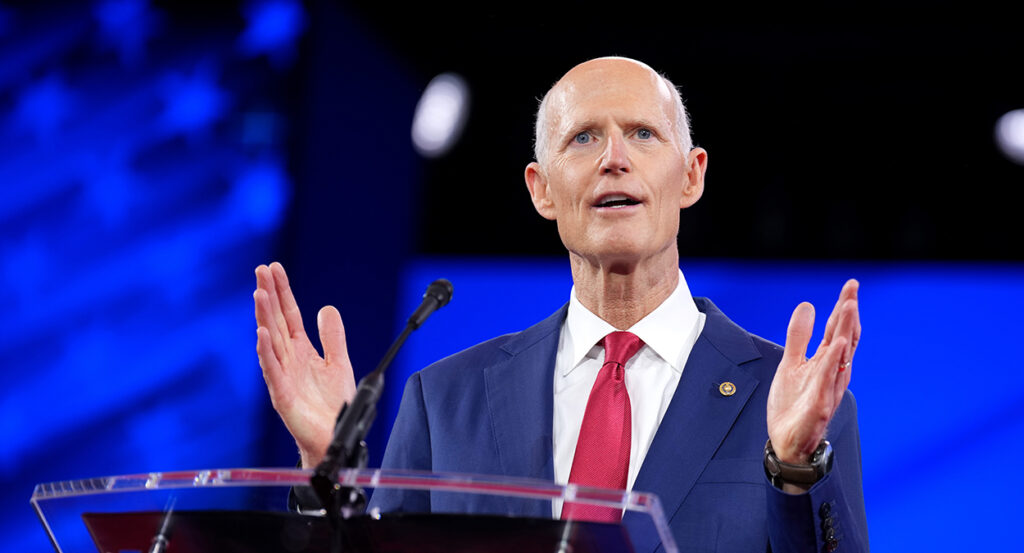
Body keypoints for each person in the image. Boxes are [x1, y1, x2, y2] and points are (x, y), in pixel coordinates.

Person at [254, 57, 868, 552]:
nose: (614, 159)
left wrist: (794, 469)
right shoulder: (443, 404)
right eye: (583, 138)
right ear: (542, 189)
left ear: (691, 176)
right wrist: (322, 471)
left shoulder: (791, 406)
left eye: (643, 134)